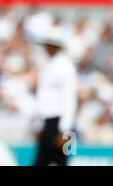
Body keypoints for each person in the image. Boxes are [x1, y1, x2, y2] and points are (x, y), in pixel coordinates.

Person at [33, 27, 79, 166]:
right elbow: (44, 98)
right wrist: (39, 125)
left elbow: (69, 98)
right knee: (46, 160)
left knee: (57, 161)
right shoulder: (50, 64)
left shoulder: (65, 66)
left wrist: (65, 131)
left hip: (59, 123)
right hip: (49, 122)